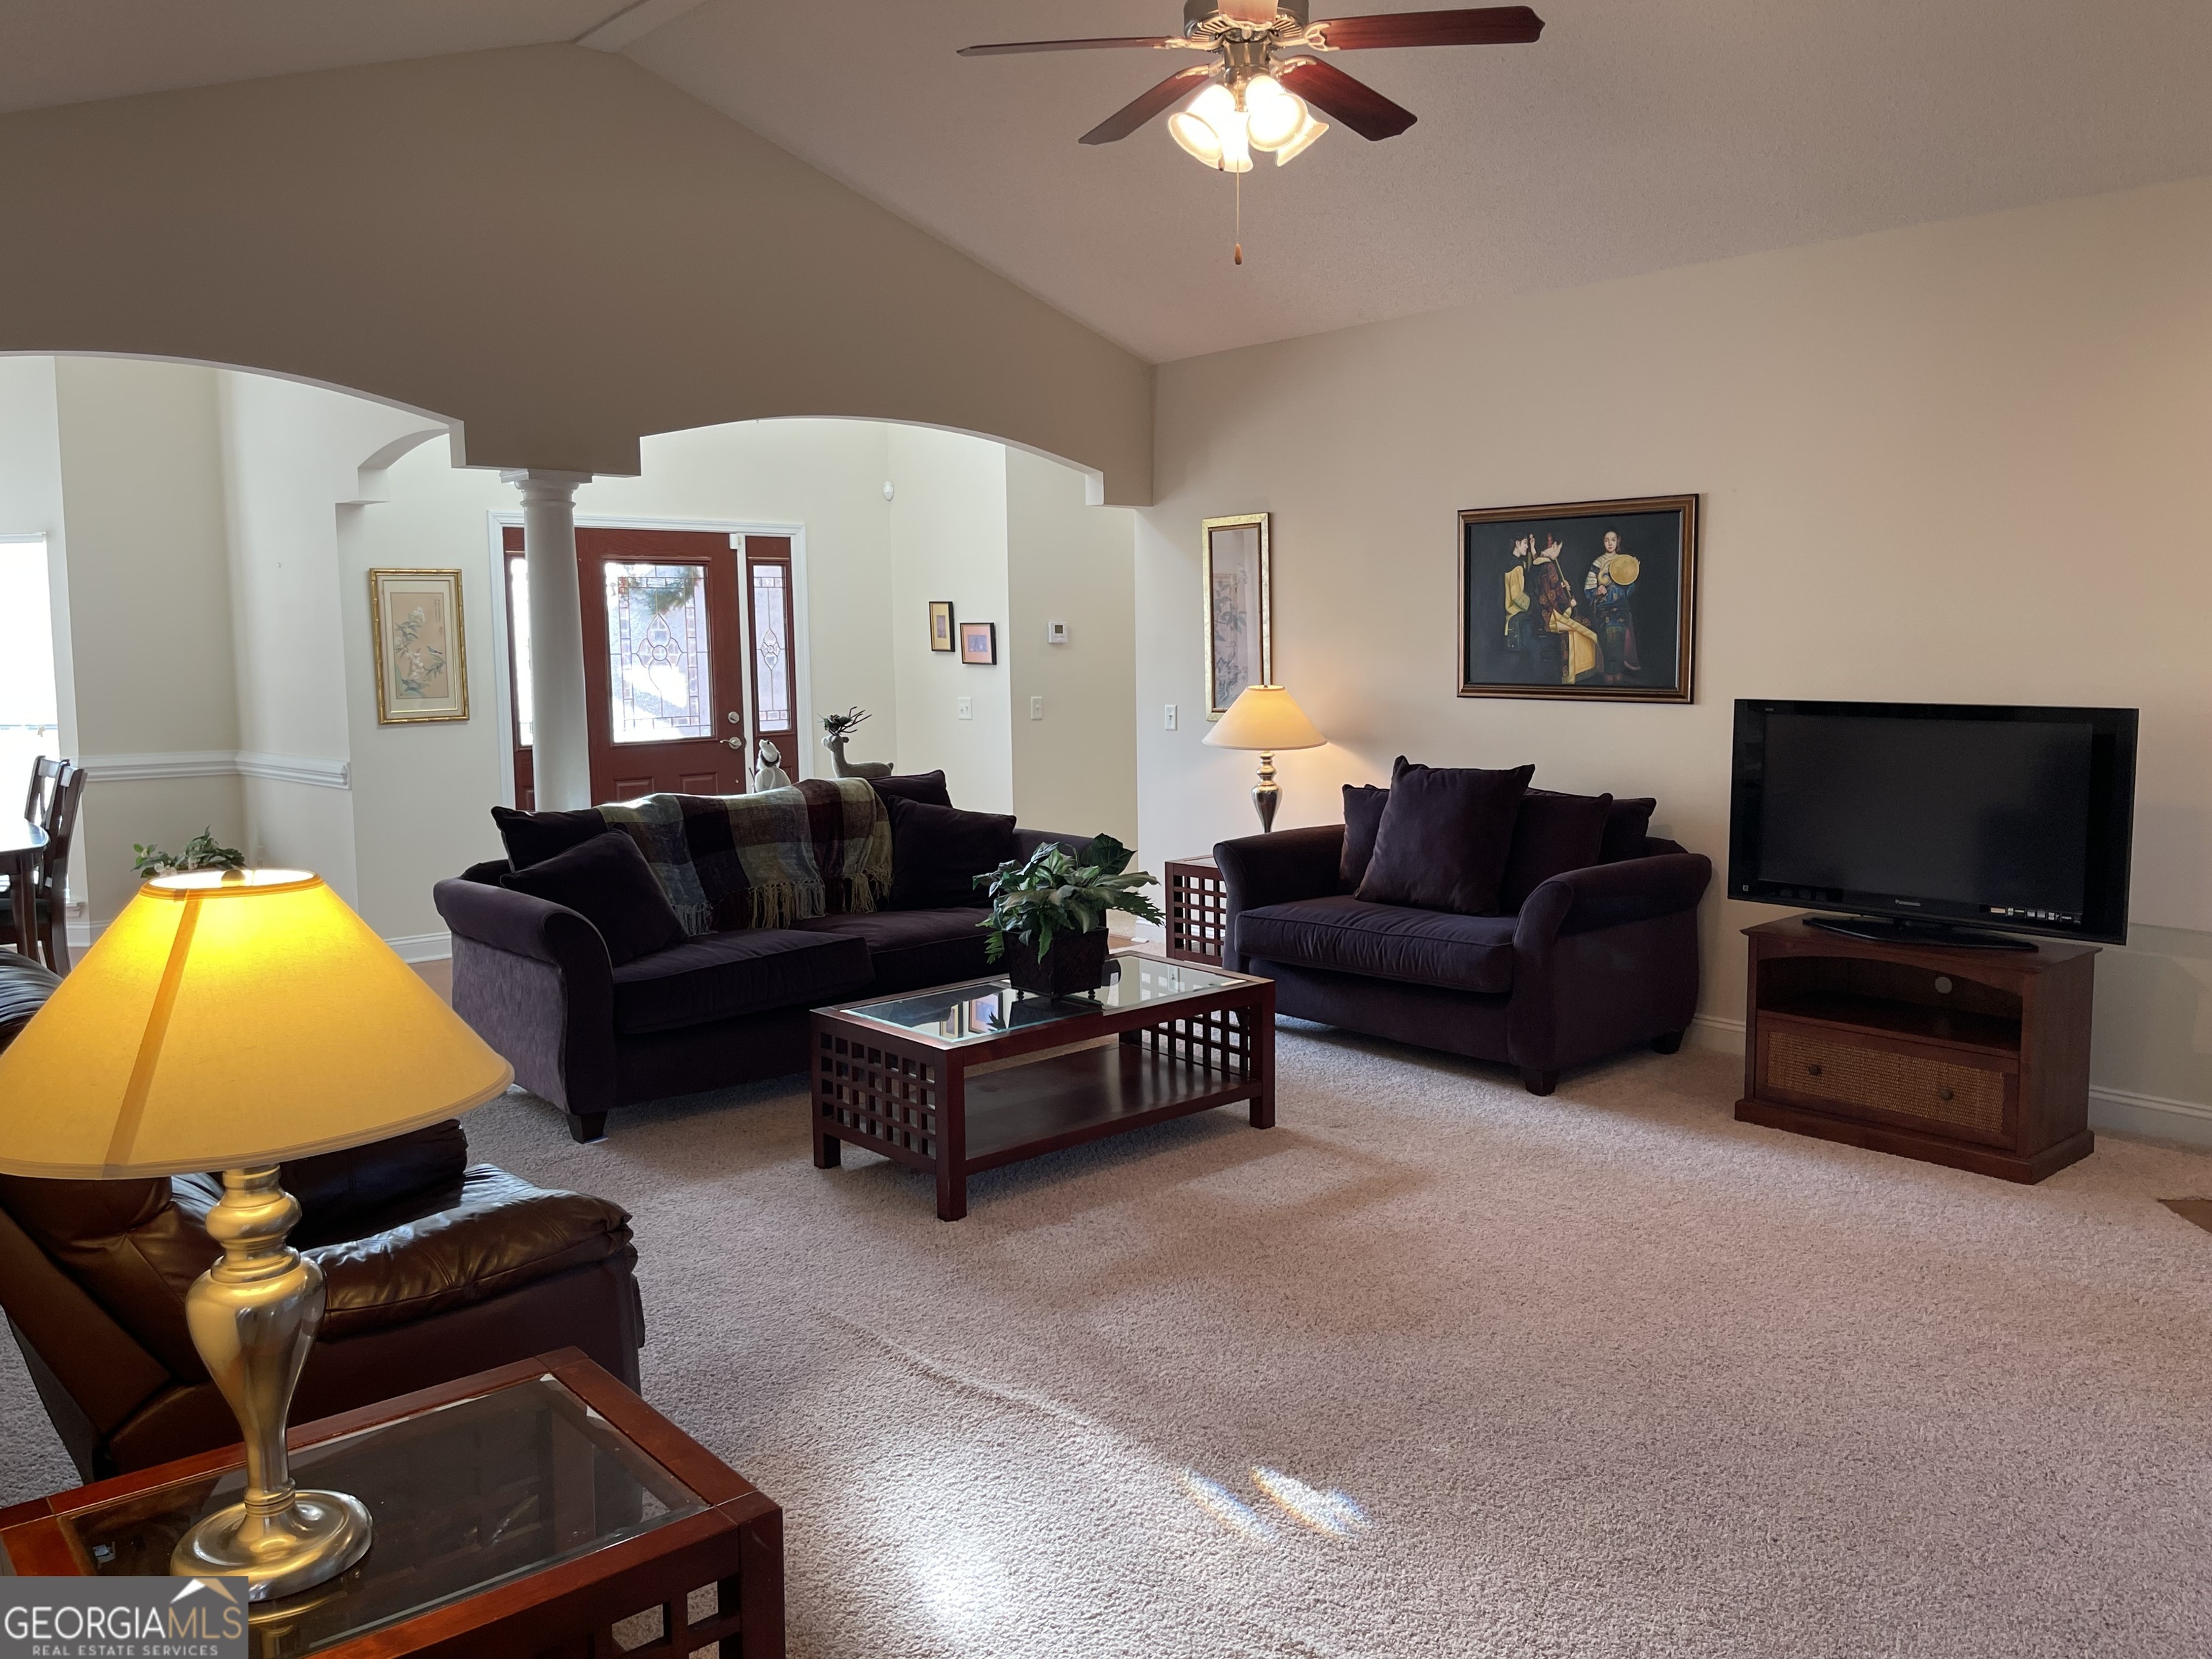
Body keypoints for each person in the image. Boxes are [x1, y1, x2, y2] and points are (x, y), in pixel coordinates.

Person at [1582, 530, 1642, 685]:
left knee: (1620, 626)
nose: (1610, 543)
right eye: (1607, 540)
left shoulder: (1624, 561)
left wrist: (1633, 570)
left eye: (1613, 540)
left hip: (1620, 606)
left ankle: (1618, 670)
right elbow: (1588, 589)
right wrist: (1597, 590)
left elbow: (1630, 589)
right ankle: (1609, 670)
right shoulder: (1598, 562)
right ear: (1603, 541)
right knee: (1609, 626)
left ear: (1618, 541)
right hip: (1603, 607)